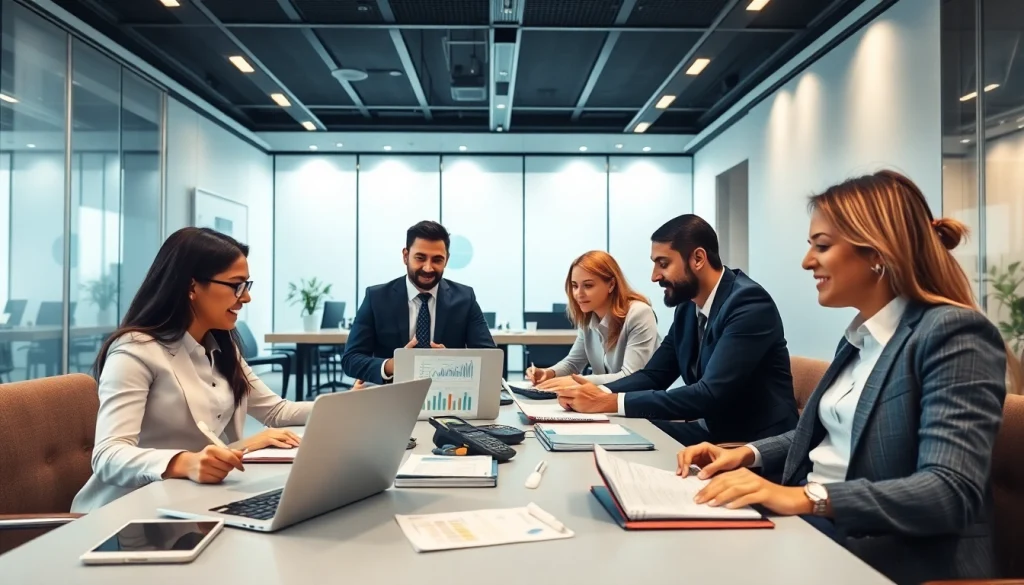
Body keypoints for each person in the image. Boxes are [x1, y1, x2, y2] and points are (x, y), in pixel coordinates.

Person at [676, 170, 1019, 585]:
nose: (807, 262)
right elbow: (826, 432)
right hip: (817, 532)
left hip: (887, 556)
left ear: (877, 250)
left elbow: (949, 492)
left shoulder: (954, 334)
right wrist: (747, 454)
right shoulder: (862, 335)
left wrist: (805, 497)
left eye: (821, 246)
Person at [72, 228, 311, 513]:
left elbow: (277, 412)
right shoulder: (134, 351)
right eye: (236, 285)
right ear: (192, 286)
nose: (245, 298)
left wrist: (346, 406)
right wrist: (186, 462)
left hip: (192, 500)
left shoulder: (222, 347)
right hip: (126, 512)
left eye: (247, 285)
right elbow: (108, 456)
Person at [555, 214, 798, 446]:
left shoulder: (748, 303)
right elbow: (654, 376)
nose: (654, 276)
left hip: (753, 442)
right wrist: (597, 391)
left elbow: (708, 394)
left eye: (664, 264)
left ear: (698, 258)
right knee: (605, 429)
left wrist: (609, 401)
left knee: (618, 428)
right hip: (713, 429)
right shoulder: (687, 307)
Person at [341, 220, 495, 385]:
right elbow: (351, 359)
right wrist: (392, 365)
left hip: (447, 398)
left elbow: (490, 358)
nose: (428, 268)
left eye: (437, 260)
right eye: (420, 258)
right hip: (391, 398)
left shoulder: (465, 298)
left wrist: (453, 361)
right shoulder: (376, 298)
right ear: (406, 256)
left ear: (447, 260)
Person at [525, 251, 659, 389]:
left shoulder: (639, 313)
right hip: (602, 401)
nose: (578, 294)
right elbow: (573, 363)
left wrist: (577, 382)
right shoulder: (588, 317)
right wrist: (549, 373)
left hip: (636, 405)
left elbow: (631, 376)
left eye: (588, 285)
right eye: (575, 286)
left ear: (611, 284)